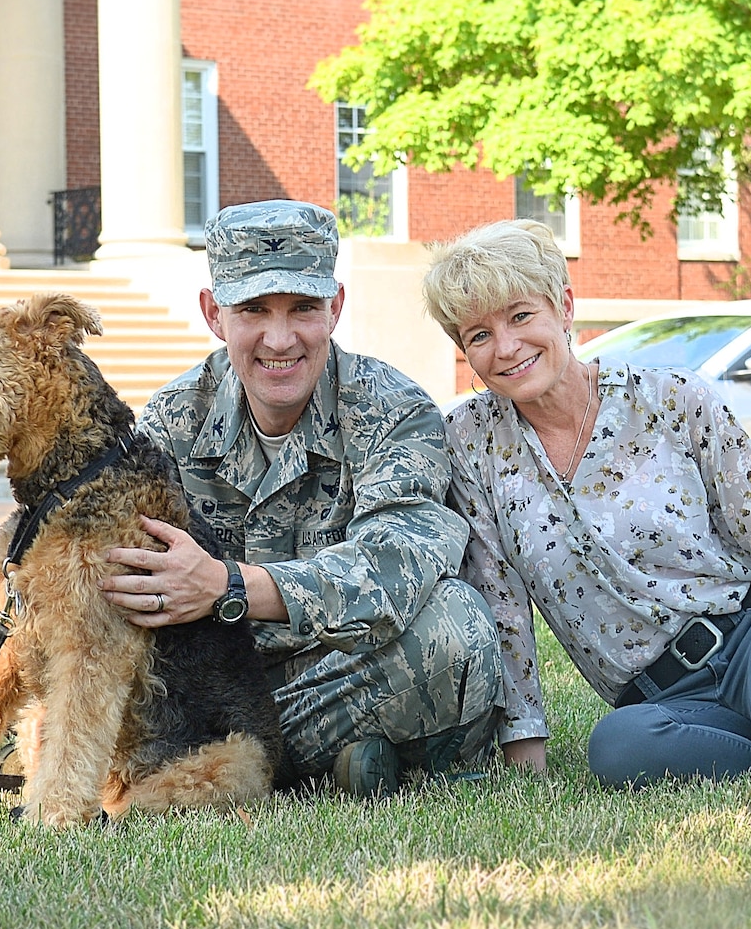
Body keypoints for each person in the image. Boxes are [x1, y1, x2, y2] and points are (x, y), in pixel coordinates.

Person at [422, 220, 751, 786]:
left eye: (521, 316)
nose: (506, 348)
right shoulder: (469, 442)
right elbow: (502, 607)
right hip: (658, 695)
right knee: (618, 749)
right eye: (478, 335)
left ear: (564, 307)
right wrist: (526, 755)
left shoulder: (672, 399)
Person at [101, 200, 504, 797]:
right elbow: (126, 574)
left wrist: (225, 586)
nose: (280, 338)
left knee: (457, 629)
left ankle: (232, 767)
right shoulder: (171, 422)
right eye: (253, 310)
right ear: (214, 314)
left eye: (303, 309)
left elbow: (399, 569)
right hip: (212, 682)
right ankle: (331, 761)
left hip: (340, 666)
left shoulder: (395, 410)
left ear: (335, 307)